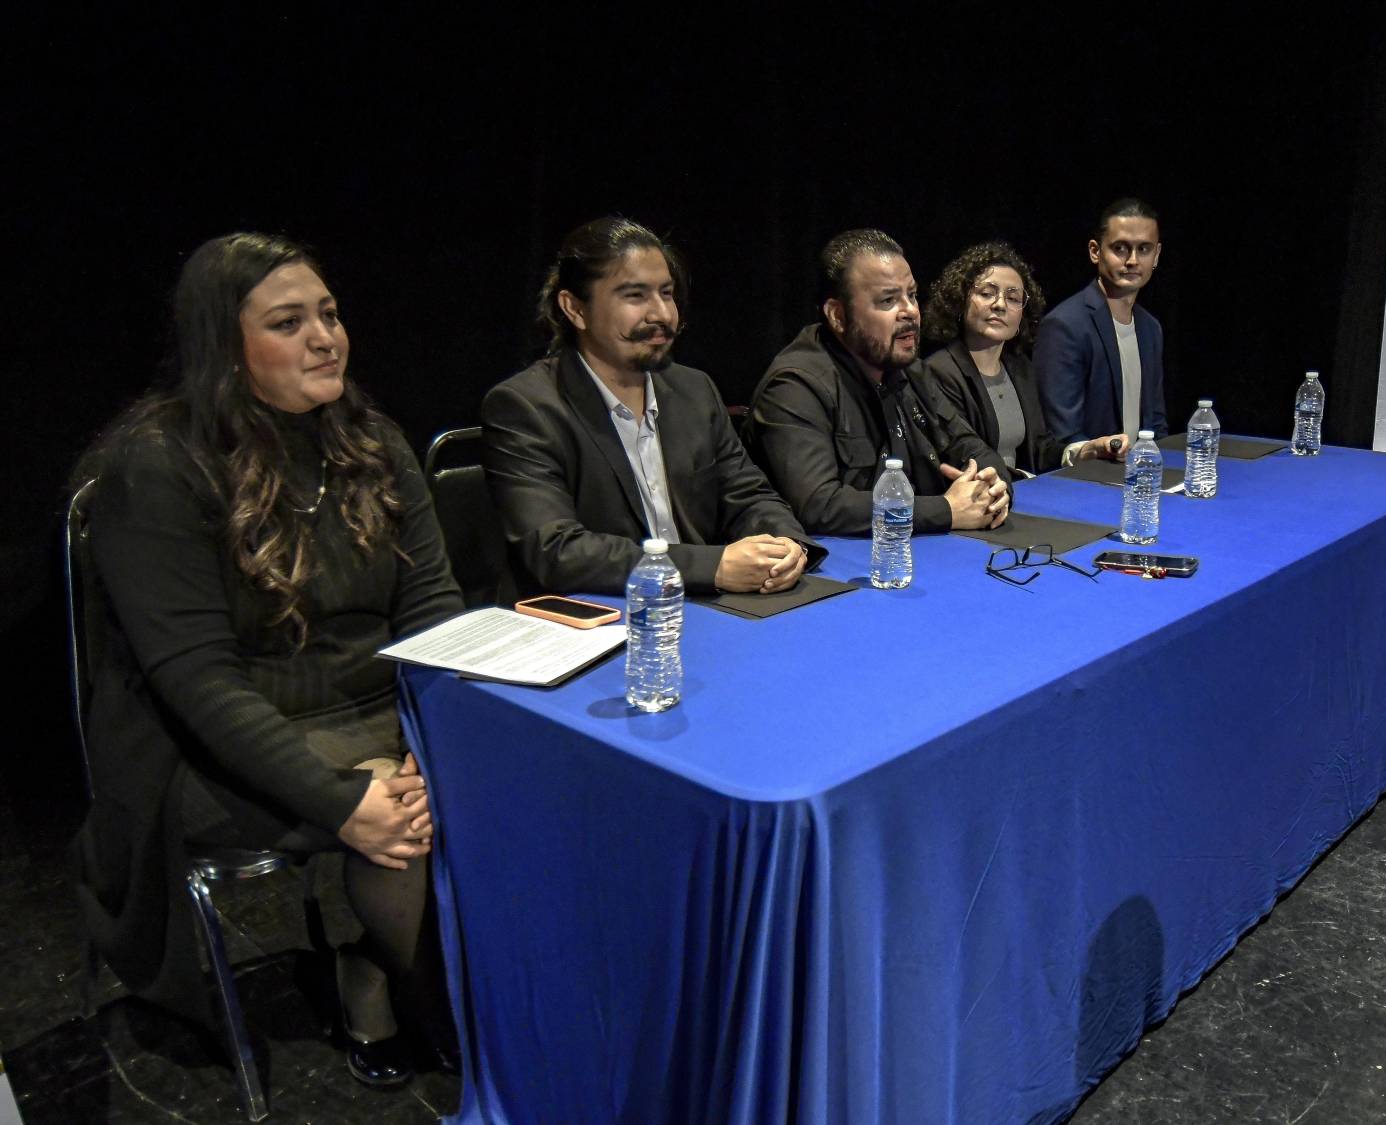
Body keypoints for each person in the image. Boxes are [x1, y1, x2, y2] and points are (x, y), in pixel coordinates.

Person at [71, 233, 463, 1088]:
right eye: (288, 323)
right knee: (402, 824)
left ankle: (379, 967)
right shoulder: (158, 465)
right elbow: (197, 681)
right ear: (224, 346)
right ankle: (440, 1009)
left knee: (505, 775)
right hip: (210, 743)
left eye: (329, 314)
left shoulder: (371, 440)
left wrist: (433, 742)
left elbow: (433, 610)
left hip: (374, 709)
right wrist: (343, 797)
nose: (326, 338)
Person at [483, 217, 824, 596]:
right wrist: (711, 567)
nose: (661, 314)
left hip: (705, 606)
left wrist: (785, 544)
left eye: (666, 293)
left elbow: (748, 495)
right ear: (575, 308)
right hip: (601, 613)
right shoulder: (526, 407)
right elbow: (557, 551)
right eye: (635, 296)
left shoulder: (694, 389)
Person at [746, 229, 1011, 536]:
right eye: (888, 300)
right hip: (839, 560)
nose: (910, 311)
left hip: (916, 549)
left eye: (911, 295)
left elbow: (970, 445)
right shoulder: (795, 386)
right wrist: (946, 510)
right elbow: (820, 505)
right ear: (837, 315)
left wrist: (994, 487)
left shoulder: (911, 370)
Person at [923, 241, 1133, 476]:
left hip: (1023, 490)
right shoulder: (938, 372)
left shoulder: (1020, 368)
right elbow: (970, 460)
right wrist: (1027, 479)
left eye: (1013, 298)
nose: (1000, 305)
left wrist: (1085, 451)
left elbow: (1040, 450)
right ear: (960, 299)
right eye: (987, 293)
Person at [1035, 198, 1170, 448]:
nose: (1132, 260)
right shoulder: (1064, 326)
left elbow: (1156, 423)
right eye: (1120, 248)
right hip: (1088, 469)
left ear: (1156, 255)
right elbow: (1063, 434)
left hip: (1140, 469)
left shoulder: (1151, 328)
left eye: (1144, 249)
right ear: (1095, 251)